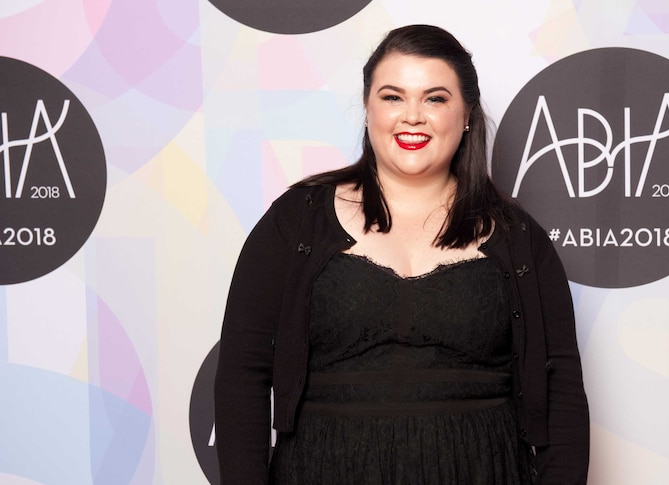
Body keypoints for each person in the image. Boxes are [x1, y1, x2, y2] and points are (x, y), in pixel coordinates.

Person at [214, 24, 589, 484]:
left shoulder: (519, 239)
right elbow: (241, 376)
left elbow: (562, 391)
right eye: (393, 97)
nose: (412, 116)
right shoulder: (295, 222)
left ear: (466, 114)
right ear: (368, 109)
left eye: (435, 98)